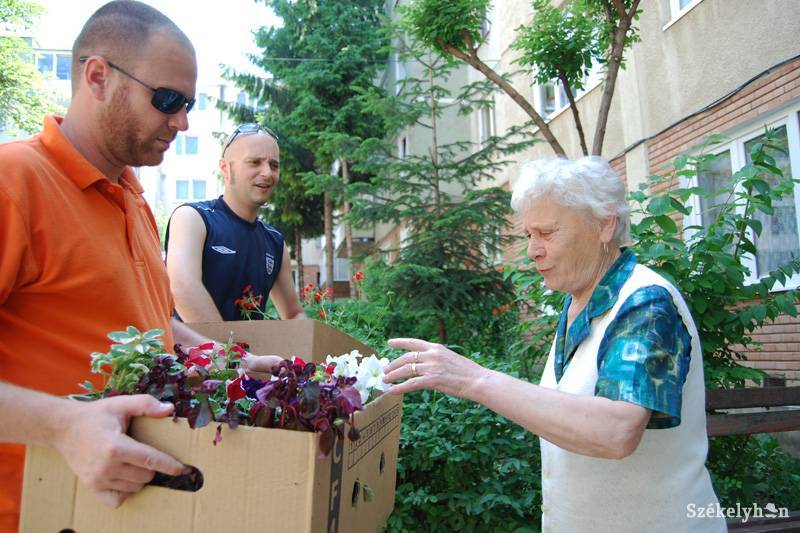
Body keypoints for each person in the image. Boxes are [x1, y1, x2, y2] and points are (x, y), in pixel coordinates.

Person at [0, 3, 278, 530]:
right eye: (168, 99)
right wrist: (62, 426)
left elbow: (153, 320)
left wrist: (222, 360)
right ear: (98, 76)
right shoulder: (15, 182)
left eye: (189, 103)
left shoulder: (135, 199)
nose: (182, 121)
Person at [382, 157, 726, 532]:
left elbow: (617, 431)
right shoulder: (578, 299)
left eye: (546, 233)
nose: (532, 250)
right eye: (528, 235)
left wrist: (475, 381)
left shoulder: (645, 302)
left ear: (604, 224)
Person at [165, 123, 306, 322]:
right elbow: (182, 287)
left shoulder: (275, 242)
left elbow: (294, 315)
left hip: (252, 353)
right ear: (226, 168)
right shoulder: (193, 218)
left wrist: (324, 349)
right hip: (192, 352)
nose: (267, 173)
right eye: (255, 162)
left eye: (274, 165)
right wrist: (230, 352)